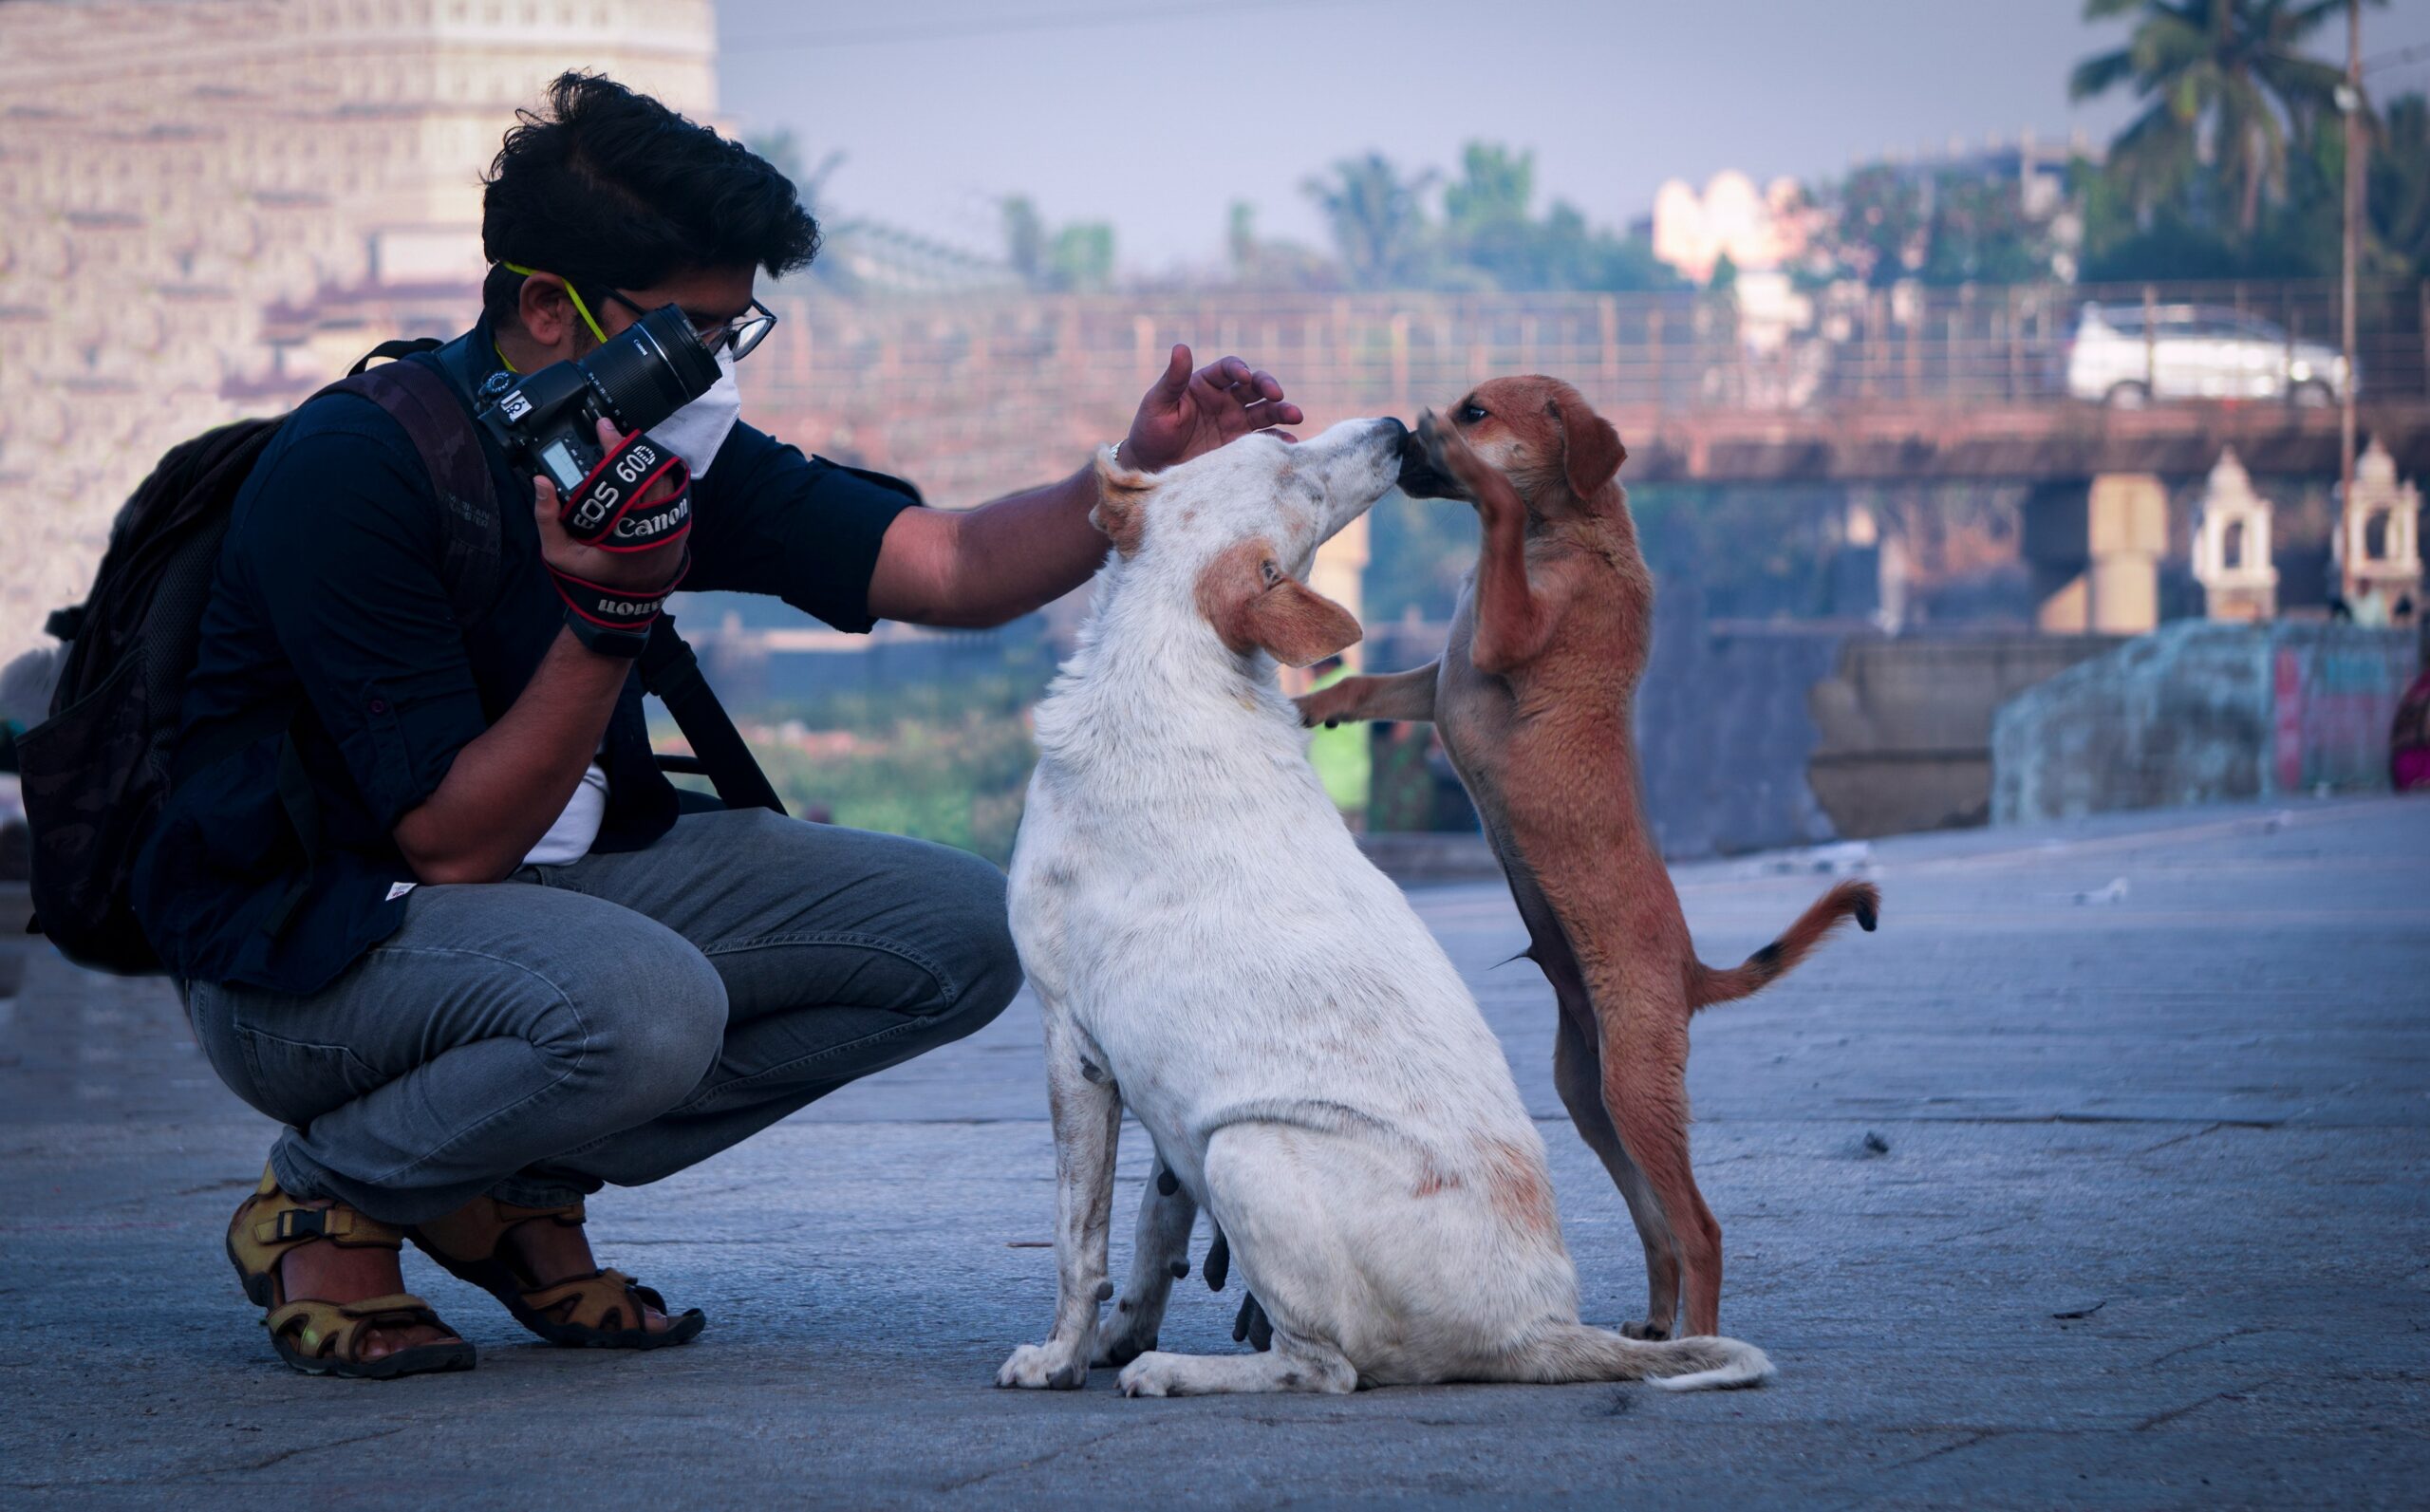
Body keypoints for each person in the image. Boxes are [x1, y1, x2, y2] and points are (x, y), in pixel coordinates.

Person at [137, 72, 1303, 1379]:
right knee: (647, 1008)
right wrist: (608, 613)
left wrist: (1139, 484)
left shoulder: (655, 440)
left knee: (965, 933)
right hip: (315, 955)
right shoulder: (358, 468)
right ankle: (330, 1192)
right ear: (545, 306)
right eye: (688, 330)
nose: (714, 366)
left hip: (552, 904)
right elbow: (451, 844)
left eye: (734, 327)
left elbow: (944, 563)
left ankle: (510, 1180)